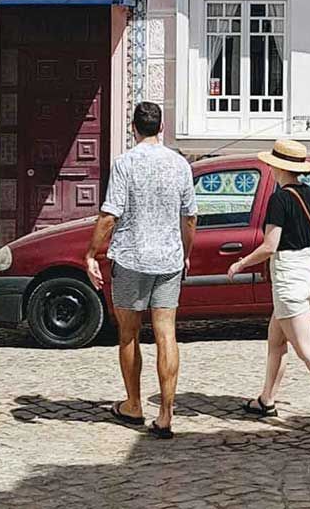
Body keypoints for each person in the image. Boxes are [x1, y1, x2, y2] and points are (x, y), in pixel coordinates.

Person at [227, 139, 310, 441]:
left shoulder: (279, 200)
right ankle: (267, 400)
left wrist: (240, 264)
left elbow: (270, 246)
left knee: (306, 349)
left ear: (277, 167)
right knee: (277, 339)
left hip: (289, 278)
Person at [85, 102, 197, 440]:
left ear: (133, 127)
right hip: (168, 259)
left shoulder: (125, 164)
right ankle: (166, 413)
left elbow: (110, 215)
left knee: (128, 334)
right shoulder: (180, 165)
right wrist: (185, 253)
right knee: (166, 334)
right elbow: (190, 217)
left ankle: (133, 404)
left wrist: (92, 252)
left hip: (131, 258)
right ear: (161, 128)